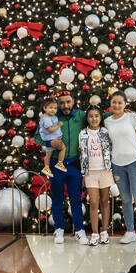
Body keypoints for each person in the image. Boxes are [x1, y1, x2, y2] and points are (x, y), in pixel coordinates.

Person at [35, 92, 89, 245]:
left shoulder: (81, 115)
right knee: (57, 198)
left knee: (76, 199)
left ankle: (79, 230)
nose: (65, 105)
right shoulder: (49, 116)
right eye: (62, 103)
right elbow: (37, 136)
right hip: (55, 164)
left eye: (68, 102)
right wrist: (50, 144)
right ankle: (58, 229)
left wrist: (121, 111)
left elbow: (99, 116)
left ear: (73, 102)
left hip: (74, 164)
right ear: (57, 104)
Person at [104, 91, 136, 244]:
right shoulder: (107, 121)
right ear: (110, 104)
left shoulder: (131, 117)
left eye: (120, 102)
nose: (116, 105)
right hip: (117, 165)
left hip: (135, 162)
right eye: (114, 102)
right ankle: (130, 232)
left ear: (125, 104)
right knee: (125, 199)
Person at [79, 107, 114, 246]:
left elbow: (112, 149)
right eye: (91, 116)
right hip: (90, 172)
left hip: (104, 171)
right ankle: (94, 233)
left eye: (97, 116)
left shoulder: (105, 132)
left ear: (101, 118)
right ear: (87, 118)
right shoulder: (83, 133)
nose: (94, 119)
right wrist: (83, 174)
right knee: (93, 202)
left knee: (105, 201)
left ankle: (104, 232)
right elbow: (81, 154)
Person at [39, 98, 67, 177]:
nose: (53, 110)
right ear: (45, 108)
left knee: (48, 154)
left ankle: (46, 167)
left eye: (55, 108)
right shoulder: (46, 119)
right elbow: (50, 129)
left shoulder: (50, 116)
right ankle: (60, 163)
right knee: (63, 148)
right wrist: (58, 125)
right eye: (51, 108)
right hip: (53, 139)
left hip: (51, 139)